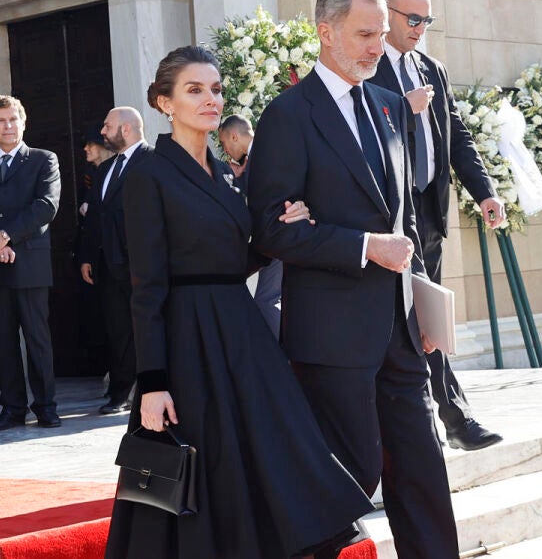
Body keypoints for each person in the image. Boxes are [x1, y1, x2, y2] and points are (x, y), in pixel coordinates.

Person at [105, 45, 371, 559]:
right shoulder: (148, 172)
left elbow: (229, 260)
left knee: (281, 441)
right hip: (187, 339)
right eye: (195, 90)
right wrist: (152, 383)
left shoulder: (226, 174)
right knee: (206, 461)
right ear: (165, 103)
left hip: (239, 330)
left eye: (216, 89)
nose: (211, 99)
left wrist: (279, 234)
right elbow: (147, 285)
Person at [248, 0, 458, 558]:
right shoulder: (288, 116)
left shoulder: (391, 107)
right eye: (365, 34)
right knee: (347, 480)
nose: (377, 47)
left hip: (401, 331)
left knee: (424, 471)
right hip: (332, 337)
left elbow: (405, 219)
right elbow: (270, 231)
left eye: (381, 34)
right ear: (325, 31)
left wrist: (422, 305)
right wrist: (364, 246)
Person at [369, 0, 505, 451]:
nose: (419, 28)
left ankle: (442, 420)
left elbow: (456, 134)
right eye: (412, 19)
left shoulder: (432, 68)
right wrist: (403, 110)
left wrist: (485, 192)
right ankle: (454, 420)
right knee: (419, 319)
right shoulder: (367, 67)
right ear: (386, 14)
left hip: (430, 210)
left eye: (426, 20)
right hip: (389, 216)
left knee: (428, 318)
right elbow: (362, 136)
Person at [0, 95, 61, 430]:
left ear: (23, 122)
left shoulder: (44, 160)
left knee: (37, 339)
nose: (8, 126)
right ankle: (12, 407)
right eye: (1, 120)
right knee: (2, 341)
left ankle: (46, 405)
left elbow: (46, 206)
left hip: (30, 264)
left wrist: (6, 236)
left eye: (13, 119)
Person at [79, 107, 151, 415]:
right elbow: (95, 216)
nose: (103, 132)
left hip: (142, 264)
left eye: (108, 126)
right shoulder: (105, 169)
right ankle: (120, 392)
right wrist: (87, 256)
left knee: (146, 329)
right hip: (108, 265)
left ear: (127, 129)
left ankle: (150, 390)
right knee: (118, 329)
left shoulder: (153, 160)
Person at [218, 113, 283, 338]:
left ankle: (283, 353)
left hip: (278, 235)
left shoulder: (266, 152)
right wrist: (238, 179)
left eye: (224, 143)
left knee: (267, 300)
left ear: (234, 136)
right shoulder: (257, 156)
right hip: (273, 239)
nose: (225, 150)